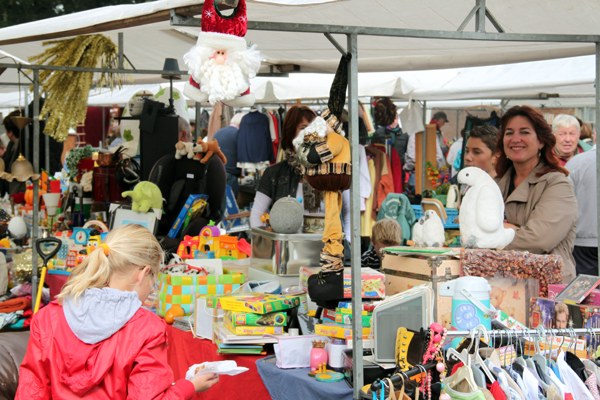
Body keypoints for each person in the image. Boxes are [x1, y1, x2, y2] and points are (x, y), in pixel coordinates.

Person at [16, 225, 219, 399]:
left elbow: (31, 391)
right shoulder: (147, 328)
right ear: (143, 273)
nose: (152, 287)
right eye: (154, 279)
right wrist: (189, 386)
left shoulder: (47, 317)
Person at [496, 105, 578, 282]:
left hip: (548, 289)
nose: (515, 139)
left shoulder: (558, 184)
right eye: (509, 133)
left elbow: (538, 240)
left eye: (524, 132)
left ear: (541, 141)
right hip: (502, 284)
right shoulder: (496, 184)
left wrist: (491, 237)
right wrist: (513, 230)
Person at [250, 105, 318, 227]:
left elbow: (348, 211)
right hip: (286, 245)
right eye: (303, 128)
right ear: (291, 133)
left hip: (323, 245)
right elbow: (256, 216)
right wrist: (271, 243)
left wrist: (348, 241)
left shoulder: (330, 170)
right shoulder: (274, 173)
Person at [566, 147, 598, 275]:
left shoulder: (576, 162)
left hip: (582, 243)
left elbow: (564, 204)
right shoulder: (577, 162)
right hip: (582, 241)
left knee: (585, 291)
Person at [214, 112, 245, 196]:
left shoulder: (218, 132)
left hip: (215, 172)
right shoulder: (239, 134)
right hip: (230, 175)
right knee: (229, 205)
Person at [372, 97, 408, 164]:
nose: (394, 120)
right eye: (393, 117)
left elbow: (407, 153)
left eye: (395, 118)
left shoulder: (404, 134)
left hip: (399, 166)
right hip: (383, 164)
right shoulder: (379, 133)